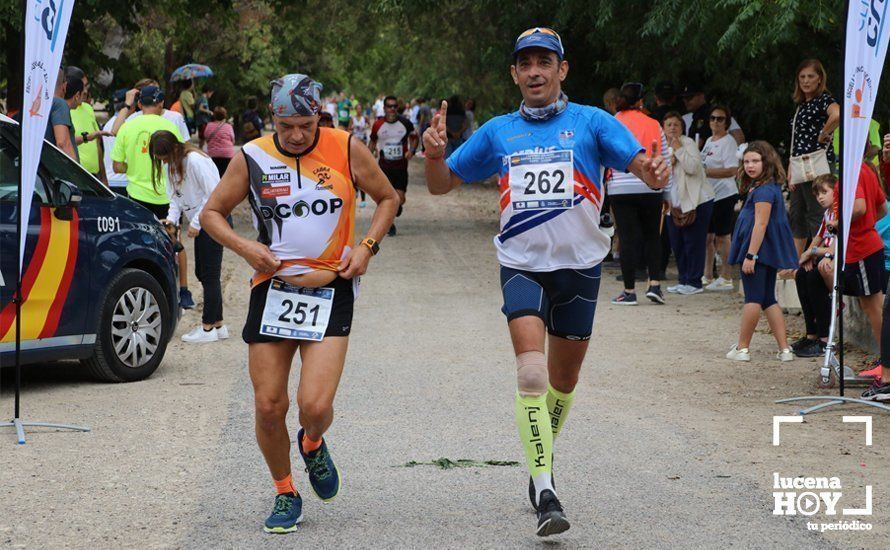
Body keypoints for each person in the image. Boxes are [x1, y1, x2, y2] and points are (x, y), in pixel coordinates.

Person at [423, 28, 669, 537]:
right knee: (531, 374)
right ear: (514, 73)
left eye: (544, 62)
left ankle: (540, 461)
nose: (535, 71)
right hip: (521, 263)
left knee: (563, 383)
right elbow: (442, 185)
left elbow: (640, 166)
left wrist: (654, 172)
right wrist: (431, 154)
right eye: (525, 63)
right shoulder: (498, 131)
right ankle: (546, 489)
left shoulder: (592, 122)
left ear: (562, 70)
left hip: (579, 268)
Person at [200, 74, 399, 534]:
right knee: (269, 404)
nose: (295, 134)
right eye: (286, 125)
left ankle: (312, 443)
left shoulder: (345, 146)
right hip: (272, 288)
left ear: (318, 117)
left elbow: (387, 197)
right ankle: (286, 491)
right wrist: (247, 248)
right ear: (273, 118)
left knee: (313, 405)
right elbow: (210, 214)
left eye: (305, 124)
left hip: (332, 287)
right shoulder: (251, 156)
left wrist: (367, 246)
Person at [111, 86, 196, 310]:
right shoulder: (169, 125)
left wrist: (135, 166)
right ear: (159, 104)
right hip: (168, 199)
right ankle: (184, 292)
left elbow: (117, 166)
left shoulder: (128, 127)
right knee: (175, 244)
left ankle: (146, 291)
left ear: (139, 104)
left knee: (139, 245)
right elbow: (181, 159)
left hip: (137, 197)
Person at [149, 130, 230, 342]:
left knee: (209, 274)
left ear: (173, 149)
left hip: (213, 218)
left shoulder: (195, 160)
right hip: (201, 220)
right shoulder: (172, 166)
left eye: (165, 157)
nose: (163, 162)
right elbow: (175, 199)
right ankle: (219, 324)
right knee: (202, 272)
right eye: (160, 159)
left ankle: (207, 328)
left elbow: (214, 193)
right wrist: (171, 222)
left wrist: (196, 223)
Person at [725, 141, 798, 362]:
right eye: (746, 161)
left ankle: (743, 348)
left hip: (759, 253)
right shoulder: (764, 187)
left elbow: (761, 224)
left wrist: (750, 255)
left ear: (766, 162)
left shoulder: (764, 190)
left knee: (753, 298)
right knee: (768, 299)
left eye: (755, 161)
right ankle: (785, 349)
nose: (750, 165)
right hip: (764, 252)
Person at [608, 82, 672, 306]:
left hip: (620, 186)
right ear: (641, 101)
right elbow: (665, 159)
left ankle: (629, 290)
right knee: (652, 236)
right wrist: (668, 193)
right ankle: (654, 285)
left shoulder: (613, 122)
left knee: (627, 238)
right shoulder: (654, 123)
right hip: (650, 185)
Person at [819, 161, 886, 366]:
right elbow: (881, 208)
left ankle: (886, 361)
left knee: (874, 306)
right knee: (871, 304)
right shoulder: (866, 169)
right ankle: (885, 359)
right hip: (864, 245)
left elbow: (859, 208)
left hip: (862, 248)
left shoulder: (853, 172)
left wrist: (838, 224)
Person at [787, 59, 840, 256]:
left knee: (817, 211)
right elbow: (796, 139)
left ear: (820, 79)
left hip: (817, 164)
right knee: (797, 213)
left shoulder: (824, 100)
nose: (806, 81)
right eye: (802, 77)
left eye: (811, 76)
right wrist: (790, 168)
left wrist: (824, 133)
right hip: (799, 165)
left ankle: (823, 255)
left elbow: (837, 114)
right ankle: (796, 262)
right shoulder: (801, 105)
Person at [663, 111, 714, 295]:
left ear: (682, 128)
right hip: (673, 203)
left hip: (696, 201)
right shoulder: (660, 146)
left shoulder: (688, 143)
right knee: (677, 243)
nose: (672, 128)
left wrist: (678, 149)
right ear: (663, 127)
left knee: (694, 242)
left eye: (676, 124)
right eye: (668, 124)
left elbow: (693, 167)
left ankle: (694, 281)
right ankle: (683, 279)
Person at [792, 174, 836, 358]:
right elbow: (817, 238)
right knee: (801, 274)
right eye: (817, 194)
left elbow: (834, 249)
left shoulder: (842, 212)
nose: (820, 197)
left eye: (824, 192)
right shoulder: (827, 214)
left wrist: (812, 252)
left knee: (814, 277)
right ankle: (812, 334)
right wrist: (806, 256)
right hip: (823, 257)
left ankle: (826, 339)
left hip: (837, 262)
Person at [862, 134, 890, 398]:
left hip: (873, 252)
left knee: (881, 308)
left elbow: (877, 209)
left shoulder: (863, 172)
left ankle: (886, 372)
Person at [701, 105, 740, 291]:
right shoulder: (709, 140)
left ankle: (727, 275)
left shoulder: (728, 141)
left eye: (720, 118)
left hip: (725, 193)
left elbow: (732, 169)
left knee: (723, 236)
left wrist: (706, 172)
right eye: (712, 118)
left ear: (727, 122)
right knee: (708, 236)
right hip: (710, 194)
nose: (715, 121)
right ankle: (707, 274)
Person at [370, 95, 417, 236]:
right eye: (389, 106)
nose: (392, 109)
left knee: (400, 198)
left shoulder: (405, 123)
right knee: (386, 197)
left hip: (401, 167)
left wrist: (412, 151)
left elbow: (415, 138)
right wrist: (368, 156)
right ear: (384, 108)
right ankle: (390, 224)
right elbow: (372, 142)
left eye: (394, 106)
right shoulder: (378, 125)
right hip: (384, 167)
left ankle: (397, 207)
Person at [67, 67, 109, 184]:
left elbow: (97, 145)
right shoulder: (63, 109)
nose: (86, 91)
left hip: (94, 178)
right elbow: (63, 142)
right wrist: (87, 138)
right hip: (75, 177)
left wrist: (103, 178)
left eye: (86, 86)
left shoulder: (88, 108)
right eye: (83, 86)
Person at [679, 83, 744, 148]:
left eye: (689, 98)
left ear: (701, 96)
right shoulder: (692, 116)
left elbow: (698, 142)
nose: (686, 101)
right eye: (684, 98)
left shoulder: (713, 113)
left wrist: (735, 155)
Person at [45, 69, 78, 160]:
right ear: (65, 86)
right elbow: (63, 144)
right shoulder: (59, 104)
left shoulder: (37, 105)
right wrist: (74, 172)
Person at [348, 104, 372, 207]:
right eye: (357, 109)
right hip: (354, 143)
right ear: (355, 110)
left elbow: (369, 125)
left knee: (363, 169)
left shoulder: (364, 118)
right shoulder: (352, 119)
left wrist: (366, 127)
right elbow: (349, 129)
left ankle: (363, 199)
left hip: (363, 142)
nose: (359, 110)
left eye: (360, 109)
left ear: (361, 110)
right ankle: (356, 191)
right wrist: (351, 130)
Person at [204, 107, 236, 176]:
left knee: (215, 175)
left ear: (214, 115)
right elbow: (233, 141)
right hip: (227, 155)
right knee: (225, 175)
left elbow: (206, 139)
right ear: (225, 116)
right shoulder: (229, 127)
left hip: (213, 155)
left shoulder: (208, 126)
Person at [196, 84, 215, 148]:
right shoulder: (204, 99)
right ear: (208, 92)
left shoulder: (200, 98)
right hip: (203, 121)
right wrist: (210, 112)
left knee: (202, 139)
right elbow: (200, 108)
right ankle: (200, 151)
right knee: (203, 138)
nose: (211, 95)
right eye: (211, 93)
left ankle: (200, 150)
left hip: (200, 121)